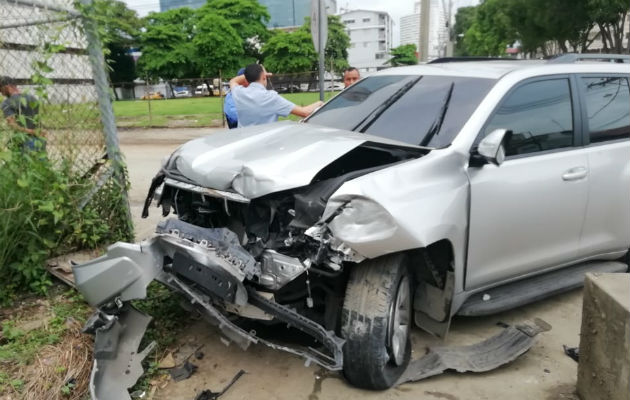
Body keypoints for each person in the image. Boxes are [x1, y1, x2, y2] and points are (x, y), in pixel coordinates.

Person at [229, 64, 322, 128]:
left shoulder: (239, 93)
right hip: (265, 147)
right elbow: (304, 112)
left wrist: (254, 74)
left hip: (244, 144)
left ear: (246, 79)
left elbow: (233, 81)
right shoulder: (271, 98)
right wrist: (319, 103)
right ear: (264, 77)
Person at [0, 75, 45, 151]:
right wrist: (37, 132)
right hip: (39, 140)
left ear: (6, 87)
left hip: (23, 140)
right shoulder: (33, 98)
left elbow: (12, 125)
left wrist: (32, 132)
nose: (1, 93)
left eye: (0, 89)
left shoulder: (6, 103)